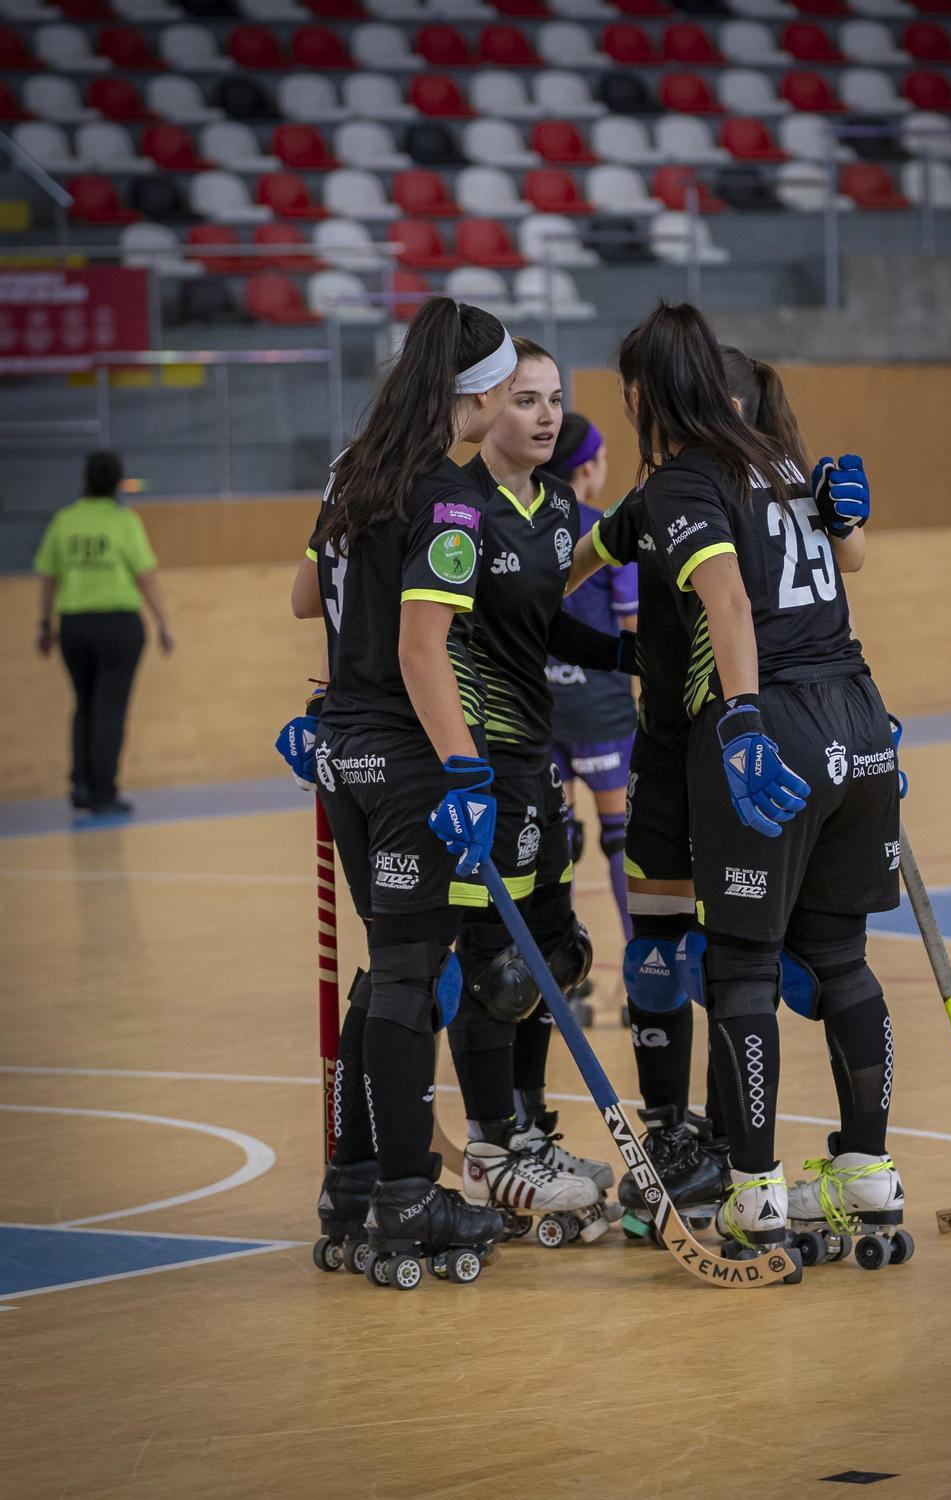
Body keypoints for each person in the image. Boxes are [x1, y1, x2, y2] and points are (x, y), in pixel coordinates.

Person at [621, 302, 903, 1256]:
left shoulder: (684, 479)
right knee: (842, 960)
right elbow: (846, 561)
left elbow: (731, 605)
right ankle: (866, 1173)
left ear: (642, 395)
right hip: (859, 712)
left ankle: (755, 1194)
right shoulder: (783, 462)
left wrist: (740, 722)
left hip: (773, 716)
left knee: (740, 968)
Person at [288, 296, 519, 1286]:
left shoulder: (354, 469)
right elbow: (424, 650)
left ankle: (353, 1183)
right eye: (507, 390)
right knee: (412, 974)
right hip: (407, 758)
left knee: (389, 971)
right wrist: (465, 769)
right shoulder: (449, 497)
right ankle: (406, 1194)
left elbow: (306, 597)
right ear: (477, 397)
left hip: (344, 752)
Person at [449, 339, 634, 1243]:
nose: (547, 415)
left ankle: (529, 1130)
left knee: (555, 955)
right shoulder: (457, 506)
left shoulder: (559, 507)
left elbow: (545, 623)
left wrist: (629, 653)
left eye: (556, 398)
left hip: (538, 755)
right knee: (496, 962)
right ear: (489, 407)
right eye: (527, 398)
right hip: (482, 757)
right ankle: (492, 1145)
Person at [33, 449, 174, 816]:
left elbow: (48, 575)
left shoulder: (64, 520)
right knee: (110, 709)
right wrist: (163, 622)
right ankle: (104, 792)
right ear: (117, 483)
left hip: (74, 625)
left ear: (85, 480)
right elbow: (145, 575)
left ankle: (80, 785)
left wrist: (45, 624)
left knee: (84, 704)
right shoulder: (123, 521)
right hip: (118, 625)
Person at [544, 413, 638, 951]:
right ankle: (641, 968)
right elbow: (633, 628)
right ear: (587, 467)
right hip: (601, 707)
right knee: (620, 838)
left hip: (541, 706)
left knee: (557, 838)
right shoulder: (607, 530)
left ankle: (561, 969)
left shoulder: (530, 524)